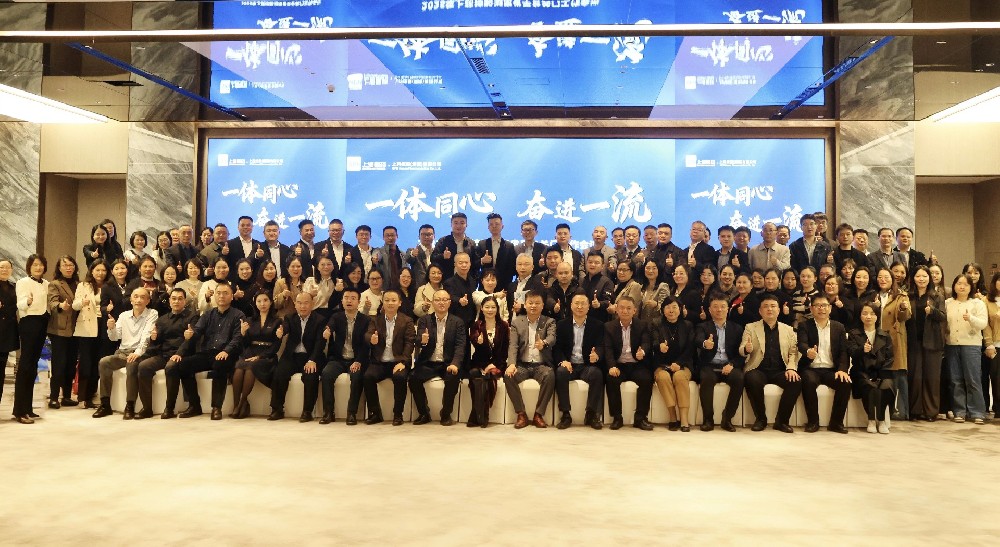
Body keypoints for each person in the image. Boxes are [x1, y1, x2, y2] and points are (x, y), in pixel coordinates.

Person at [166, 281, 244, 420]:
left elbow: (237, 338)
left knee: (220, 364)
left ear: (232, 296)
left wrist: (226, 351)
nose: (221, 296)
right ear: (214, 296)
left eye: (225, 293)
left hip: (227, 354)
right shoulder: (208, 314)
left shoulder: (238, 315)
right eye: (218, 293)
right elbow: (196, 332)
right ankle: (194, 406)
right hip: (208, 353)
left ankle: (216, 407)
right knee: (182, 366)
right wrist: (181, 350)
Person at [129, 288, 198, 420]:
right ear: (169, 301)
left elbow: (192, 341)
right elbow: (157, 344)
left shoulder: (192, 317)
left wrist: (180, 353)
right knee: (143, 366)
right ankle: (147, 408)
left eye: (180, 299)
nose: (176, 301)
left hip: (183, 354)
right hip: (164, 354)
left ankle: (169, 408)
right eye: (174, 298)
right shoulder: (162, 319)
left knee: (171, 367)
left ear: (185, 301)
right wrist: (154, 338)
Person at [92, 288, 159, 419]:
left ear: (148, 301)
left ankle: (130, 405)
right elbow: (114, 337)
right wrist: (111, 328)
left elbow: (146, 337)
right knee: (104, 362)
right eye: (136, 297)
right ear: (131, 300)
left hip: (141, 353)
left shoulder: (152, 313)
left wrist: (137, 353)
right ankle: (105, 404)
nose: (139, 300)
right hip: (123, 352)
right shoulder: (124, 315)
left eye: (142, 297)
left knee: (132, 365)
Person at [740, 294, 801, 433]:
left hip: (780, 369)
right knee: (752, 378)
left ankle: (782, 421)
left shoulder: (788, 329)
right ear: (760, 311)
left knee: (795, 381)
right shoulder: (750, 327)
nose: (769, 309)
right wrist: (746, 349)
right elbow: (742, 348)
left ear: (778, 310)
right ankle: (761, 419)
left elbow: (794, 352)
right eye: (766, 306)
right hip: (758, 368)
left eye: (773, 306)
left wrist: (791, 368)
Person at [795, 295, 852, 433]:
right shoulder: (805, 325)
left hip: (831, 370)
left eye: (824, 305)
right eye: (817, 306)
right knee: (808, 381)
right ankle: (813, 422)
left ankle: (836, 423)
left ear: (830, 308)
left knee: (845, 383)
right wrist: (808, 351)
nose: (821, 309)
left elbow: (844, 351)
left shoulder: (839, 327)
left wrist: (842, 369)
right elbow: (801, 343)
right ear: (811, 309)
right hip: (811, 368)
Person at [268, 292, 326, 422]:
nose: (302, 306)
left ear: (312, 304)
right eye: (299, 303)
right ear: (295, 304)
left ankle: (307, 411)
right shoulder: (289, 317)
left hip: (311, 356)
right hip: (292, 356)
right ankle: (277, 409)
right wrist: (281, 332)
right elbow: (285, 328)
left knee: (311, 376)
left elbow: (320, 343)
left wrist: (312, 360)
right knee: (279, 373)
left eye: (306, 303)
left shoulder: (320, 320)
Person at [412, 289, 466, 425]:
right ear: (432, 302)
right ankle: (424, 413)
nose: (441, 302)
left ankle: (446, 414)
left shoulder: (457, 322)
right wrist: (422, 340)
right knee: (413, 378)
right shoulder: (424, 320)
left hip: (447, 363)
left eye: (444, 300)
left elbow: (460, 346)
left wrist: (455, 363)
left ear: (449, 302)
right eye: (437, 300)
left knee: (453, 377)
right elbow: (417, 341)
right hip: (428, 362)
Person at [552, 291, 605, 430]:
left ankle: (591, 414)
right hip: (569, 364)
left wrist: (597, 355)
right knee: (560, 372)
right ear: (571, 306)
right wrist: (563, 361)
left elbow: (601, 345)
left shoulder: (597, 325)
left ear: (588, 306)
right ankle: (565, 414)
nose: (580, 307)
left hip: (586, 365)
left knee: (597, 374)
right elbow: (557, 348)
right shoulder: (562, 324)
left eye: (583, 304)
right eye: (577, 303)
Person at [362, 290, 415, 425]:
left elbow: (410, 343)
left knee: (400, 377)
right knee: (368, 376)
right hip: (379, 362)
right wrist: (371, 339)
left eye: (393, 300)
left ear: (399, 303)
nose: (390, 303)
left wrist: (403, 362)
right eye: (387, 300)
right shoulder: (376, 320)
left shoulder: (407, 321)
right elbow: (367, 335)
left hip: (398, 362)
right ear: (382, 302)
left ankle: (398, 414)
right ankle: (375, 413)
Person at [505, 290, 556, 429]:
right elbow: (513, 345)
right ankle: (521, 414)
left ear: (542, 305)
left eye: (537, 303)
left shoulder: (549, 321)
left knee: (550, 375)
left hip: (541, 365)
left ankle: (538, 415)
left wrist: (544, 343)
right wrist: (511, 364)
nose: (533, 306)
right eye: (530, 303)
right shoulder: (517, 322)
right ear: (525, 305)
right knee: (508, 376)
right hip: (522, 365)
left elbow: (552, 338)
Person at [694, 293, 745, 432]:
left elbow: (741, 354)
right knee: (707, 379)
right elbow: (698, 340)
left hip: (728, 365)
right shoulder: (702, 327)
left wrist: (732, 365)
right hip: (709, 365)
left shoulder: (737, 328)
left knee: (739, 378)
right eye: (715, 307)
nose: (719, 310)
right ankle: (708, 419)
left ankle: (727, 418)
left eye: (723, 306)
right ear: (710, 310)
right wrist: (705, 344)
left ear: (728, 309)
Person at [319, 287, 370, 424]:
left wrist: (358, 361)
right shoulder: (336, 317)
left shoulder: (365, 320)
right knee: (326, 374)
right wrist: (327, 331)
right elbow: (330, 326)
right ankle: (328, 412)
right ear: (342, 301)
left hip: (356, 359)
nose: (349, 301)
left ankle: (352, 413)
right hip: (338, 359)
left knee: (357, 376)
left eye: (353, 298)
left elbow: (366, 345)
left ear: (358, 302)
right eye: (346, 298)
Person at [227, 291, 282, 419]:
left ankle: (242, 403)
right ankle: (236, 405)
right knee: (239, 367)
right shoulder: (250, 320)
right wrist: (243, 333)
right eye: (259, 301)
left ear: (271, 302)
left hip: (267, 356)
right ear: (255, 303)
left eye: (265, 300)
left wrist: (260, 356)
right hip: (250, 352)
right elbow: (246, 344)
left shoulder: (277, 321)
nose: (262, 304)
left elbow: (275, 347)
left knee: (251, 367)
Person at [603, 296, 653, 431]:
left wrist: (643, 351)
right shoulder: (609, 327)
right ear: (616, 310)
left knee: (647, 379)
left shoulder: (642, 325)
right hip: (619, 364)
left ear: (634, 311)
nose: (625, 311)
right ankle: (617, 417)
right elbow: (608, 349)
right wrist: (612, 366)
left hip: (636, 364)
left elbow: (646, 342)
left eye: (629, 308)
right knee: (611, 378)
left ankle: (640, 418)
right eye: (622, 308)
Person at [944, 274, 989, 424]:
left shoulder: (977, 303)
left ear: (971, 287)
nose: (962, 286)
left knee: (973, 379)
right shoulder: (948, 303)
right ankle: (959, 411)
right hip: (952, 344)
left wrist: (970, 318)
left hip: (972, 344)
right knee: (955, 379)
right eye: (959, 283)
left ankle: (977, 412)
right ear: (954, 285)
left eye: (965, 284)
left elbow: (983, 324)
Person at [869, 267, 911, 420]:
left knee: (898, 376)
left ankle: (902, 411)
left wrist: (903, 308)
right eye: (880, 277)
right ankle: (883, 412)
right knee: (881, 375)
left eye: (886, 277)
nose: (883, 280)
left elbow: (905, 316)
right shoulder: (873, 295)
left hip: (894, 339)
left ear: (892, 280)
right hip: (876, 339)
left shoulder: (900, 295)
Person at [846, 303, 895, 434]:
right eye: (865, 313)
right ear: (860, 316)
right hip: (861, 371)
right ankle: (871, 420)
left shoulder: (885, 335)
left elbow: (890, 358)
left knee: (887, 386)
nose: (868, 316)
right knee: (869, 385)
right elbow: (851, 353)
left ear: (877, 316)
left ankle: (882, 420)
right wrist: (862, 350)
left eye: (872, 314)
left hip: (881, 372)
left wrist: (880, 373)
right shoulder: (854, 334)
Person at [12, 254, 49, 424]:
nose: (38, 267)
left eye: (41, 265)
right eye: (35, 265)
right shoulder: (23, 282)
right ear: (29, 267)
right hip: (29, 323)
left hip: (42, 323)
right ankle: (19, 410)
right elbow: (19, 305)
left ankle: (28, 408)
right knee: (25, 366)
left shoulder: (46, 283)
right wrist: (27, 301)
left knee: (33, 366)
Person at [907, 265, 947, 421]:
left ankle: (931, 412)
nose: (921, 279)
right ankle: (915, 410)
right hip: (913, 341)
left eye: (924, 276)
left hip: (933, 341)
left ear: (929, 278)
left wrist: (932, 311)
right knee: (915, 377)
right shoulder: (908, 296)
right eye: (918, 276)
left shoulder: (937, 296)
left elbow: (943, 316)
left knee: (932, 377)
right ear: (913, 278)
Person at [650, 296, 695, 431]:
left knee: (679, 377)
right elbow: (653, 342)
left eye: (674, 307)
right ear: (663, 310)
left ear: (680, 309)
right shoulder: (656, 324)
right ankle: (672, 416)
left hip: (683, 364)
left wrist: (679, 363)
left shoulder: (688, 325)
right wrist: (659, 347)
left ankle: (684, 419)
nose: (671, 310)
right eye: (668, 307)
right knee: (663, 377)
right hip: (662, 364)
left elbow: (690, 348)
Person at [466, 296, 508, 427]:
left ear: (497, 309)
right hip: (479, 362)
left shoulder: (504, 326)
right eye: (487, 307)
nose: (490, 310)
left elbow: (505, 350)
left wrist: (493, 364)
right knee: (474, 374)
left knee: (489, 376)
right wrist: (478, 342)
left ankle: (479, 415)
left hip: (497, 363)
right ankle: (479, 412)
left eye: (493, 307)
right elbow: (474, 342)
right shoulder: (477, 325)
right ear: (482, 309)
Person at [46, 255, 80, 408]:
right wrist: (61, 305)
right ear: (59, 268)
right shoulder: (55, 284)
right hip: (59, 330)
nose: (68, 267)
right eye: (65, 265)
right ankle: (54, 397)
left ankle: (66, 396)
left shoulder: (80, 284)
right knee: (59, 364)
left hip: (76, 329)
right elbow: (52, 302)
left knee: (71, 364)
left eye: (71, 264)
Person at [432, 212, 480, 280]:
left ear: (466, 225)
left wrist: (473, 280)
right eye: (456, 223)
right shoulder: (443, 241)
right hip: (447, 281)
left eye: (462, 223)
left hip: (466, 282)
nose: (458, 226)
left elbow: (475, 265)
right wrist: (442, 256)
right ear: (451, 224)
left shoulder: (471, 243)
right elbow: (433, 259)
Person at [476, 213, 516, 285]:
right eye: (491, 224)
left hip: (504, 284)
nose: (494, 226)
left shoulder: (509, 246)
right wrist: (482, 261)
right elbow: (474, 264)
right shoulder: (482, 244)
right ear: (488, 227)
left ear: (502, 226)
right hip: (486, 284)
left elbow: (512, 268)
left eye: (497, 224)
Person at [0, 259, 19, 411]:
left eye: (7, 267)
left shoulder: (14, 287)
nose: (5, 270)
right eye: (1, 267)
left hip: (6, 334)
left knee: (1, 373)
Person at [982, 272, 1000, 419]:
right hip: (995, 344)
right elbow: (986, 324)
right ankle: (998, 408)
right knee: (996, 377)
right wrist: (989, 344)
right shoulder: (987, 301)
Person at [443, 252, 477, 326]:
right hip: (456, 321)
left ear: (470, 264)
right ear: (455, 265)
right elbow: (449, 297)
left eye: (466, 262)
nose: (464, 265)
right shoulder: (449, 283)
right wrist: (459, 300)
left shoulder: (473, 281)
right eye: (460, 263)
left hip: (472, 320)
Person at [579, 251, 614, 323]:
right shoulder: (582, 281)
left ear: (602, 266)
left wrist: (599, 304)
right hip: (581, 320)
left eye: (596, 263)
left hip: (599, 321)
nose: (592, 265)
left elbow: (608, 301)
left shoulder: (607, 282)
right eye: (590, 262)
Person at [303, 255, 338, 321]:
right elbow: (303, 301)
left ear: (333, 266)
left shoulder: (337, 282)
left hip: (332, 316)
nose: (326, 267)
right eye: (322, 264)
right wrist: (310, 295)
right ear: (318, 267)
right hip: (314, 315)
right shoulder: (310, 281)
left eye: (329, 264)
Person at [405, 223, 436, 289]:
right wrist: (412, 254)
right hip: (420, 288)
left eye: (429, 234)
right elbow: (408, 258)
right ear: (419, 236)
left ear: (434, 236)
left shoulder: (437, 251)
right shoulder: (413, 251)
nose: (426, 237)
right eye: (423, 234)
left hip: (436, 287)